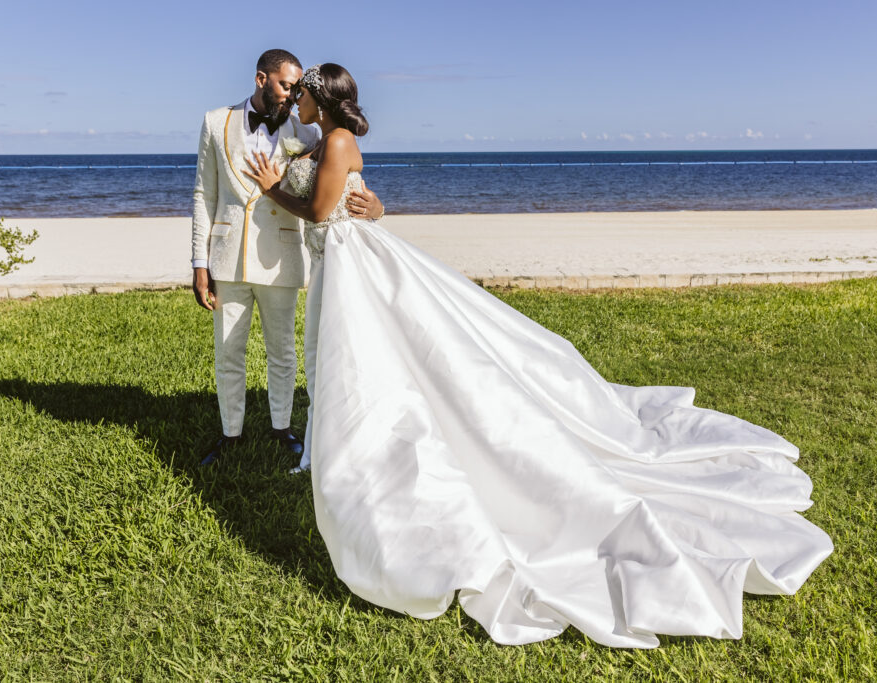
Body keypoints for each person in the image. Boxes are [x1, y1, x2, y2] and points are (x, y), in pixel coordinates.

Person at [243, 63, 833, 648]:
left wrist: (274, 188)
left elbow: (322, 211)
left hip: (352, 263)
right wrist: (362, 202)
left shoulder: (337, 139)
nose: (295, 103)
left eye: (303, 95)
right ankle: (331, 450)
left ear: (322, 99)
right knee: (355, 360)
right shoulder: (324, 140)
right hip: (343, 261)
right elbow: (352, 198)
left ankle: (355, 459)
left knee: (366, 362)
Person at [191, 50, 384, 466]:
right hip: (226, 257)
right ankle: (231, 435)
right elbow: (203, 196)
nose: (294, 95)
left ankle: (283, 429)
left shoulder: (312, 130)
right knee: (228, 351)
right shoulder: (214, 123)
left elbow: (346, 177)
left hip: (283, 255)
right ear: (261, 78)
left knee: (283, 351)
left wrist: (376, 206)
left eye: (299, 88)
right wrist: (199, 264)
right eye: (285, 85)